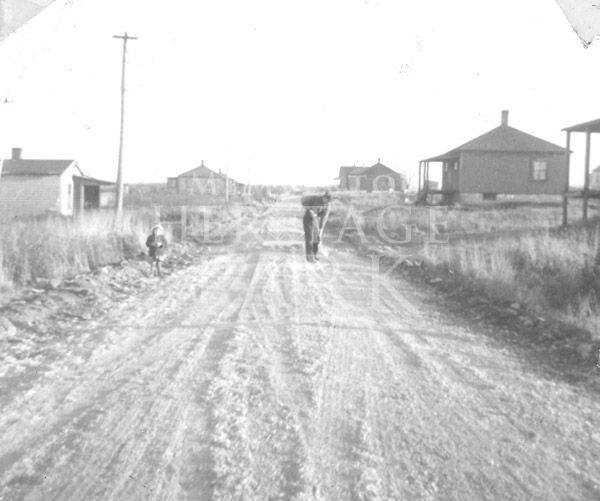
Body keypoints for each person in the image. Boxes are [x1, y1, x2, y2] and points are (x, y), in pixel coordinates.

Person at [301, 190, 331, 263]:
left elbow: (324, 218)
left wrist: (320, 229)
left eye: (327, 201)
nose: (326, 202)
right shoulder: (317, 200)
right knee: (309, 238)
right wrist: (314, 215)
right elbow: (314, 214)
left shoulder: (328, 206)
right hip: (308, 217)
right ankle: (309, 258)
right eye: (325, 199)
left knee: (316, 238)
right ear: (323, 197)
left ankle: (314, 255)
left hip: (315, 218)